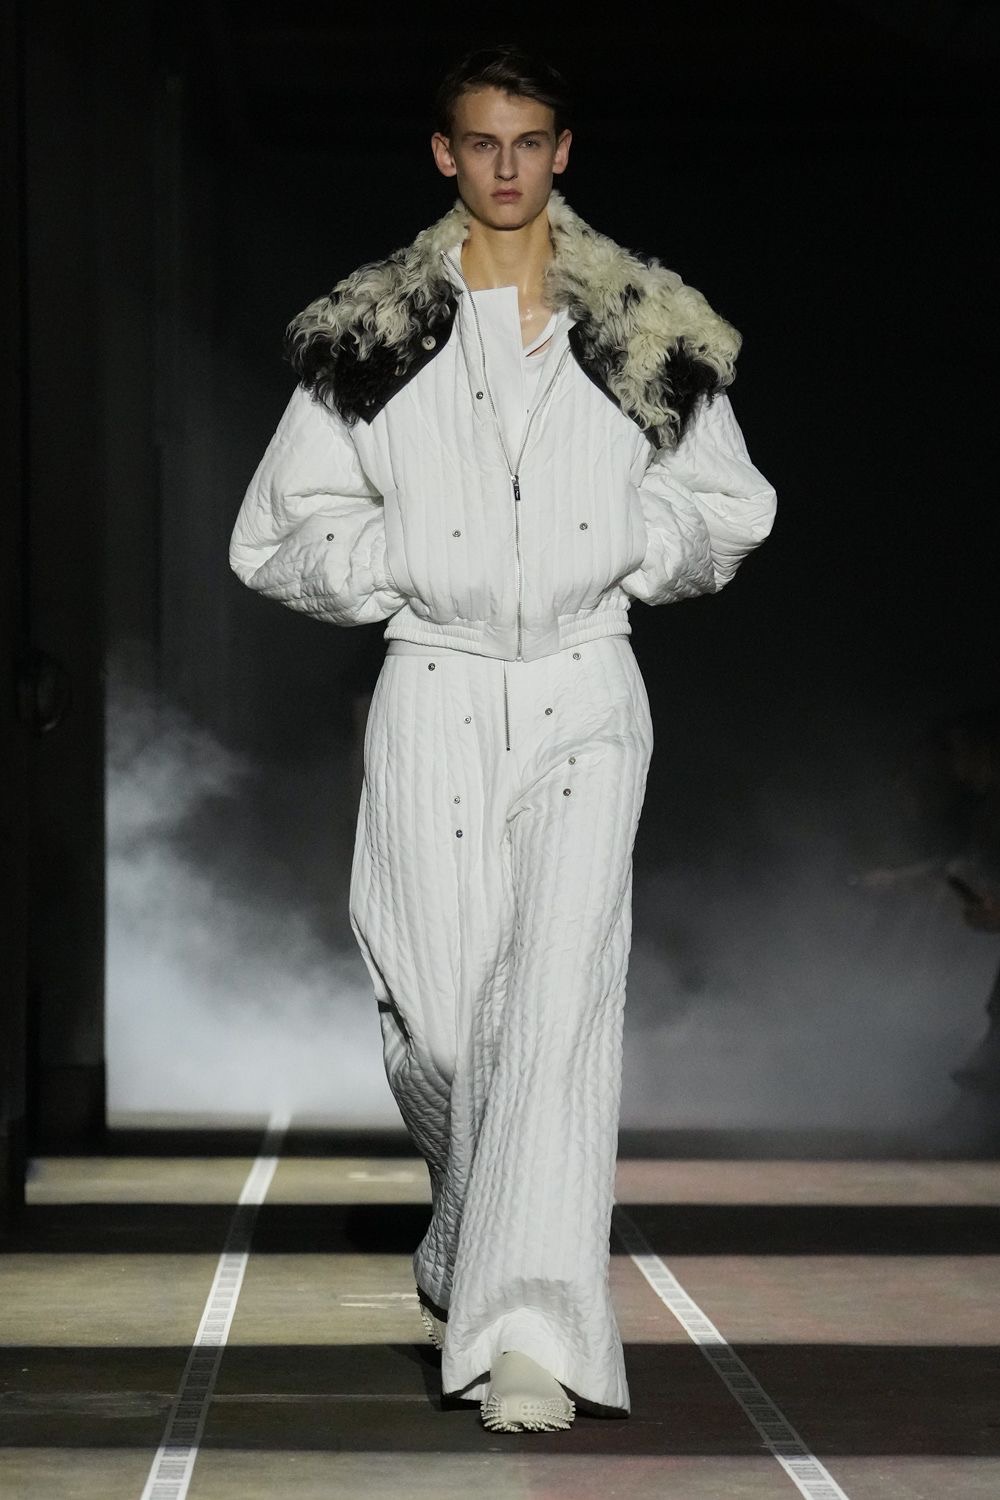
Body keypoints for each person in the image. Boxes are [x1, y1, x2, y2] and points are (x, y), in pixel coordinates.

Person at [228, 42, 777, 1432]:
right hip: (435, 681)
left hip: (587, 684)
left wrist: (631, 544)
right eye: (484, 143)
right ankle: (473, 1236)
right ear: (445, 154)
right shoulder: (375, 328)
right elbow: (273, 533)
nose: (509, 166)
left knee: (553, 1009)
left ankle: (528, 1335)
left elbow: (730, 506)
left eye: (531, 141)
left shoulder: (644, 323)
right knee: (438, 1022)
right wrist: (395, 561)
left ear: (563, 150)